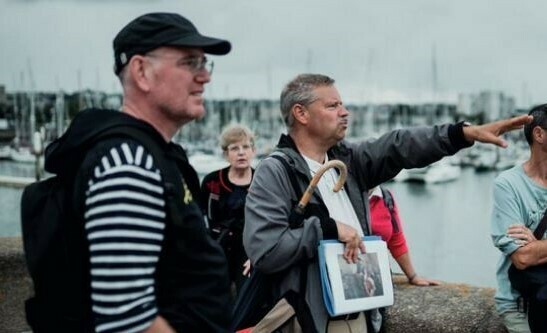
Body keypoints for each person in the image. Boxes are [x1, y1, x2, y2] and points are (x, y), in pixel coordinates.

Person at [243, 73, 532, 333]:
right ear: (301, 113)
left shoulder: (349, 160)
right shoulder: (276, 171)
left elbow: (400, 145)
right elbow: (265, 251)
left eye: (342, 104)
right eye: (332, 106)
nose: (344, 112)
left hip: (360, 317)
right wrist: (329, 229)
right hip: (309, 320)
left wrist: (462, 134)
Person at [42, 13, 233, 332]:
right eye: (190, 63)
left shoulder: (153, 155)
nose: (205, 77)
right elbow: (127, 316)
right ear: (142, 71)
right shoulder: (128, 163)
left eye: (205, 64)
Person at [491, 104, 547, 333]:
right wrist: (532, 250)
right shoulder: (508, 185)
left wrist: (539, 247)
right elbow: (523, 258)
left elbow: (533, 254)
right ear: (539, 134)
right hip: (519, 302)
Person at [200, 124, 256, 294]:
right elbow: (198, 218)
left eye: (246, 147)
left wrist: (257, 257)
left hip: (249, 251)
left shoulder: (262, 181)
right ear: (225, 154)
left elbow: (272, 222)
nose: (241, 152)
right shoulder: (211, 182)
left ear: (253, 151)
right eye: (234, 148)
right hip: (216, 248)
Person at [368, 186, 439, 286]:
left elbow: (396, 239)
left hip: (378, 278)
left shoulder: (385, 196)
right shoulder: (342, 195)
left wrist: (413, 276)